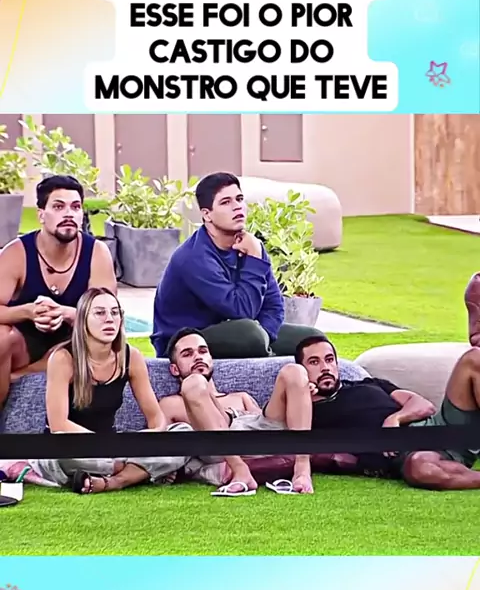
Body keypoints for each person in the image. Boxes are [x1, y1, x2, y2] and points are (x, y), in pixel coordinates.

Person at [37, 288, 220, 494]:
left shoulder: (130, 357)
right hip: (76, 447)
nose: (109, 319)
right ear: (83, 319)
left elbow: (156, 418)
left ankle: (114, 481)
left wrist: (147, 441)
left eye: (115, 313)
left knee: (183, 433)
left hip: (115, 449)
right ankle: (136, 472)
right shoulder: (63, 358)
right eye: (100, 313)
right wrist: (111, 450)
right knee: (61, 450)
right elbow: (58, 424)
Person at [151, 172, 324, 359]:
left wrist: (264, 338)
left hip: (241, 331)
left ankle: (266, 352)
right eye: (226, 202)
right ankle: (267, 357)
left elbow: (274, 305)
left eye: (239, 199)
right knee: (249, 333)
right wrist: (254, 260)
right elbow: (241, 310)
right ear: (207, 214)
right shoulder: (193, 258)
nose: (237, 207)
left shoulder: (252, 245)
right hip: (185, 341)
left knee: (313, 340)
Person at [295, 334, 480, 490]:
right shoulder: (308, 414)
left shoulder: (369, 384)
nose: (325, 368)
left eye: (329, 360)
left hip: (440, 427)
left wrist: (395, 419)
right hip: (411, 455)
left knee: (473, 358)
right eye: (314, 362)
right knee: (421, 467)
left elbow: (424, 405)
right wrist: (301, 393)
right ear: (302, 370)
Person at [0, 174, 117, 407]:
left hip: (75, 341)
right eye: (58, 206)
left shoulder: (97, 253)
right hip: (25, 342)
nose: (69, 214)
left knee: (98, 339)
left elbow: (108, 315)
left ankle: (18, 378)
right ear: (41, 215)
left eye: (76, 207)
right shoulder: (16, 253)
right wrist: (29, 311)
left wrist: (65, 313)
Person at [158, 327, 314, 494]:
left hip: (258, 434)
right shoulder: (172, 404)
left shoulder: (240, 397)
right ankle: (241, 471)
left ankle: (302, 471)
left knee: (295, 371)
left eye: (203, 351)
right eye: (187, 354)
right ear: (174, 369)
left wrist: (301, 394)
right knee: (193, 383)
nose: (198, 357)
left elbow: (262, 422)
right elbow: (160, 446)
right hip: (217, 446)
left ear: (211, 358)